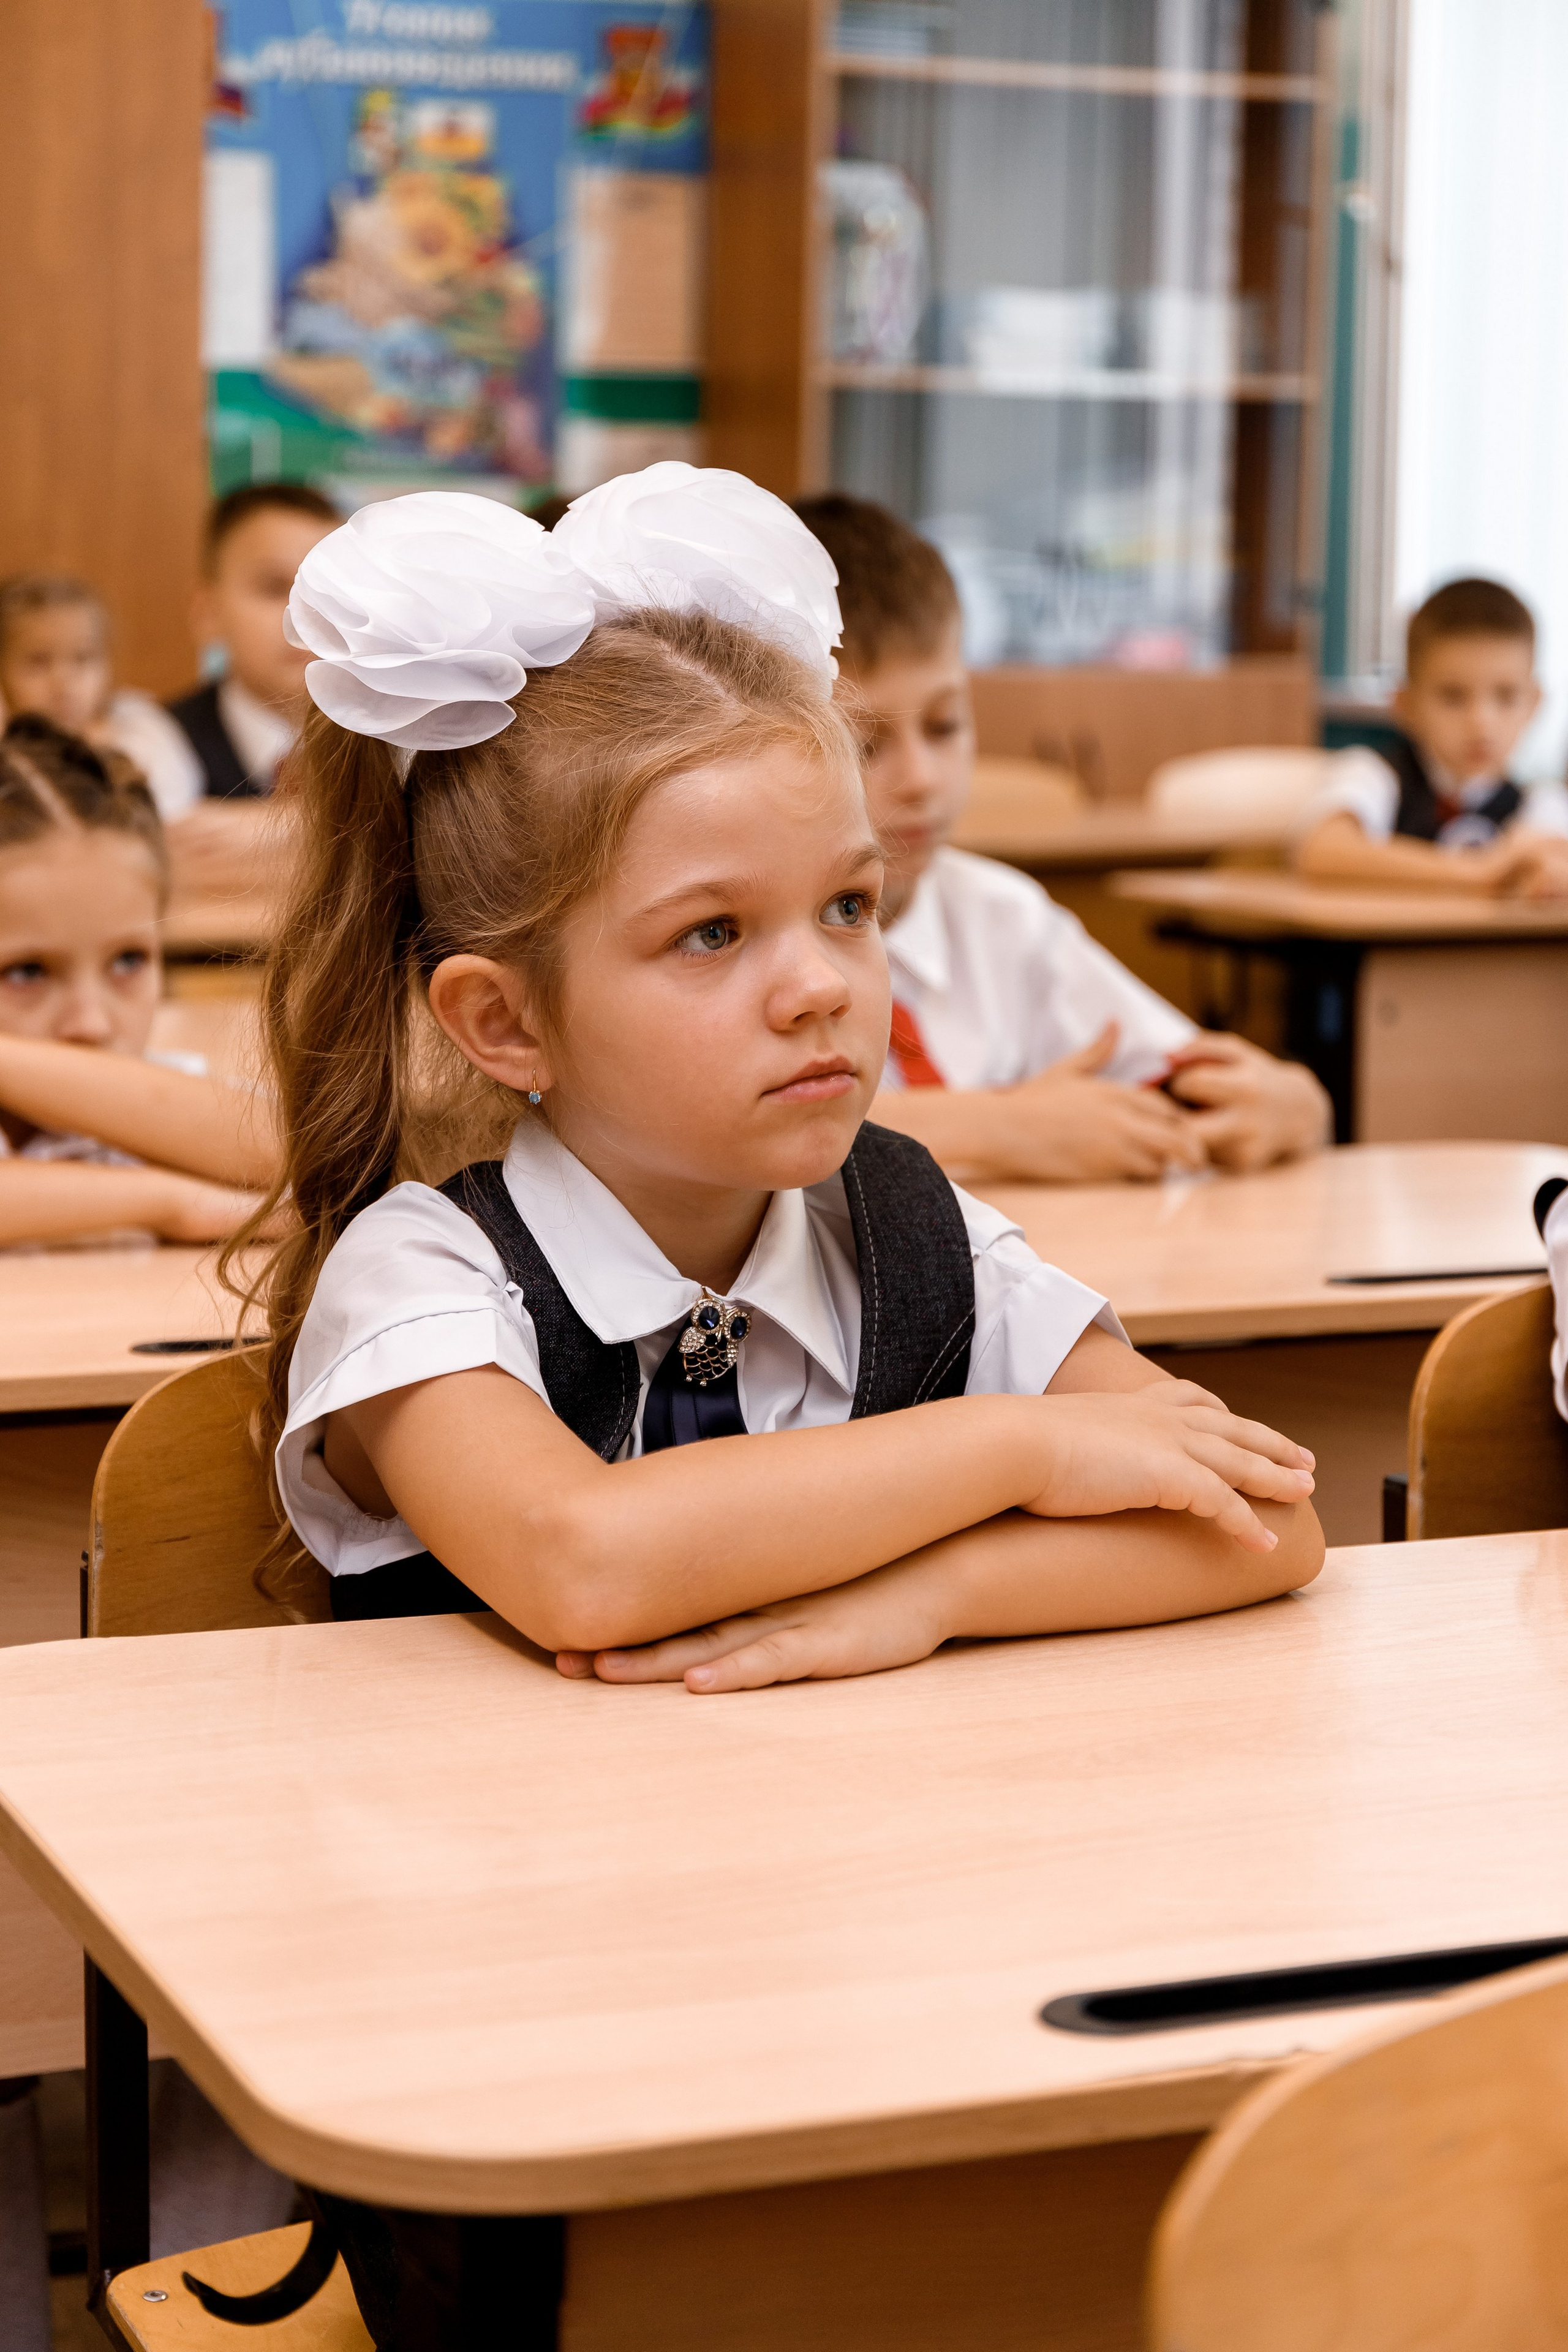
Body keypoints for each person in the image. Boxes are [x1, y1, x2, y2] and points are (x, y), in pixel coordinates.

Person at [239, 467, 1320, 2347]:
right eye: (712, 936)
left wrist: (932, 1594)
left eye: (846, 904)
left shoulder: (903, 1221)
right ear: (505, 1022)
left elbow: (1262, 1513)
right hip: (515, 2080)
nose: (822, 982)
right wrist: (1014, 1449)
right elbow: (580, 1560)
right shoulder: (425, 1273)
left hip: (866, 1999)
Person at [791, 494, 1332, 1183]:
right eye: (867, 745)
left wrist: (1295, 1103)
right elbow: (733, 1147)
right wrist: (1001, 1129)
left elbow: (1195, 1075)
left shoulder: (1004, 920)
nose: (923, 779)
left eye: (945, 725)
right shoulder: (742, 947)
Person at [0, 715, 276, 1247]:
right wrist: (167, 1202)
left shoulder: (165, 1096)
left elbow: (294, 1154)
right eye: (27, 972)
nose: (91, 1022)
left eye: (128, 962)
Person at [1292, 577, 1568, 898]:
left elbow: (1552, 863)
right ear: (1406, 705)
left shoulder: (1542, 804)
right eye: (1453, 697)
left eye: (1506, 696)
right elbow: (1321, 852)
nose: (1481, 724)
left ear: (1534, 704)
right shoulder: (1374, 774)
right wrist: (1477, 873)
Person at [164, 483, 340, 908]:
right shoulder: (154, 738)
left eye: (331, 594)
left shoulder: (395, 739)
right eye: (276, 588)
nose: (305, 618)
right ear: (207, 613)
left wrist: (292, 826)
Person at [0, 573, 205, 819]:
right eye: (39, 662)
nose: (64, 682)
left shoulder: (136, 724)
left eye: (83, 658)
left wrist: (112, 763)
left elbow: (177, 807)